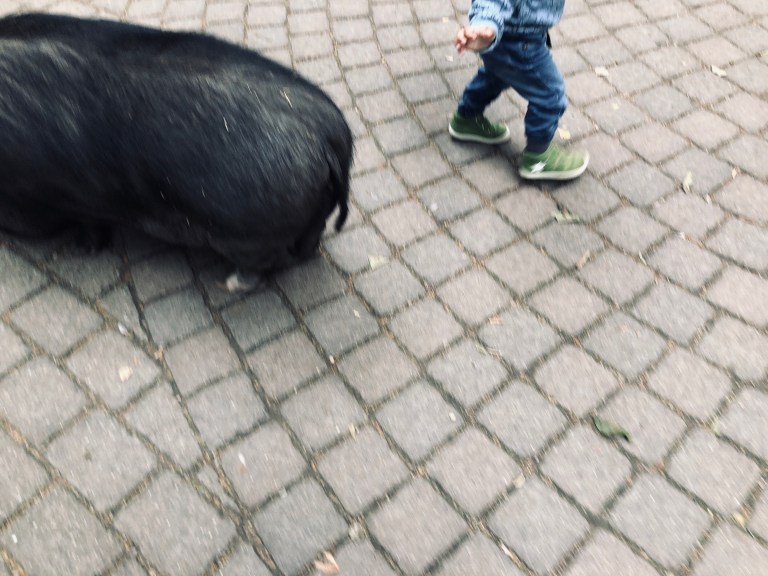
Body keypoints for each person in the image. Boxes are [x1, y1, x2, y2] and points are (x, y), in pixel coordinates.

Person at [449, 0, 588, 181]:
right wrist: (484, 25)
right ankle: (538, 157)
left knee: (496, 76)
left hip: (512, 35)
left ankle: (467, 118)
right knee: (550, 94)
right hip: (519, 42)